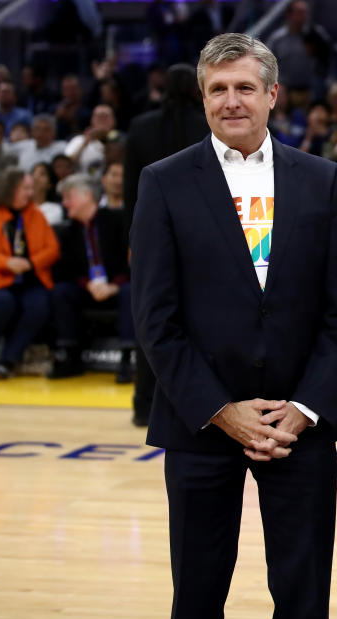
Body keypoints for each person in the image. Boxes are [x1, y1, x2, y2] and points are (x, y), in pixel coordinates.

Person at [130, 33, 337, 619]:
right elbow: (155, 319)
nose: (232, 100)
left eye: (245, 87)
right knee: (197, 601)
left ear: (272, 94)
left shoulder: (322, 179)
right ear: (202, 98)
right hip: (200, 423)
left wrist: (305, 408)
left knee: (305, 603)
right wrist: (221, 409)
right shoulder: (163, 182)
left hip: (295, 424)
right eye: (218, 89)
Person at [124, 62, 209, 428]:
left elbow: (130, 192)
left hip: (151, 233)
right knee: (198, 322)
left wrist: (133, 238)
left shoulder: (140, 127)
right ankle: (200, 401)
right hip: (203, 235)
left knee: (153, 319)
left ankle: (144, 404)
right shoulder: (205, 127)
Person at [48, 174, 133, 382]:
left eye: (69, 196)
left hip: (119, 285)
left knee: (130, 291)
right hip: (88, 289)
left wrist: (113, 286)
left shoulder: (118, 220)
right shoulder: (68, 231)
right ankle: (70, 355)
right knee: (61, 291)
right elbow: (65, 270)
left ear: (87, 195)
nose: (65, 202)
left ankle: (127, 358)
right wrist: (88, 285)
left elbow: (133, 260)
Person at [0, 168, 59, 379]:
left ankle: (8, 360)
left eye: (31, 188)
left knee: (38, 305)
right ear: (10, 189)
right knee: (2, 303)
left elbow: (52, 249)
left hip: (31, 279)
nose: (30, 192)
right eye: (25, 188)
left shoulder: (35, 214)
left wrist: (30, 262)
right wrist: (7, 262)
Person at [30, 162, 64, 226]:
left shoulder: (55, 209)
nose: (35, 177)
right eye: (33, 173)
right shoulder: (20, 207)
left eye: (42, 174)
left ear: (50, 184)